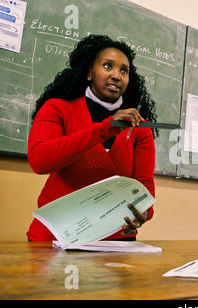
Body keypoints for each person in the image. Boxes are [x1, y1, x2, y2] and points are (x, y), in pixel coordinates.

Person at [27, 34, 157, 241]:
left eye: (124, 71)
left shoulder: (139, 127)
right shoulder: (57, 108)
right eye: (108, 66)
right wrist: (105, 129)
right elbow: (40, 161)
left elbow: (143, 185)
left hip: (116, 243)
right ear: (89, 72)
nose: (116, 75)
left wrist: (143, 214)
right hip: (56, 240)